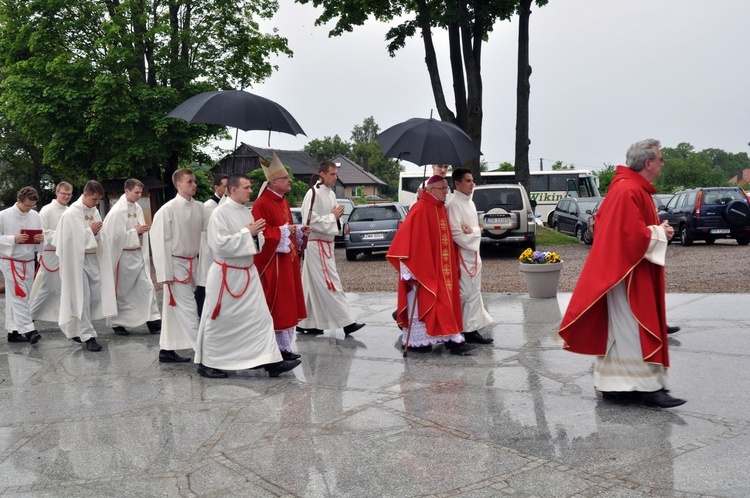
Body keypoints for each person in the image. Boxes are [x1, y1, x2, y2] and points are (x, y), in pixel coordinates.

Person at [559, 139, 685, 408]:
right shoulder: (628, 189)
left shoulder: (628, 187)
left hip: (625, 270)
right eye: (660, 160)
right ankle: (649, 388)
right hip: (628, 274)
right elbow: (629, 236)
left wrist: (656, 228)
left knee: (621, 332)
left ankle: (615, 385)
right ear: (648, 163)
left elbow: (630, 228)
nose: (662, 165)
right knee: (633, 329)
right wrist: (660, 232)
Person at [195, 173, 302, 378]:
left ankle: (269, 361)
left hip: (247, 272)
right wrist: (248, 234)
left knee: (260, 319)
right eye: (246, 188)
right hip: (227, 274)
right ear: (233, 189)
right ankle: (208, 362)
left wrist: (254, 235)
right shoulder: (219, 213)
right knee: (221, 321)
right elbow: (219, 244)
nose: (251, 191)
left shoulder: (246, 212)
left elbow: (259, 240)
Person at [386, 175, 475, 355]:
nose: (446, 192)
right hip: (422, 271)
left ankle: (451, 339)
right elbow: (404, 241)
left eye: (446, 189)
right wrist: (410, 269)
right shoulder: (419, 209)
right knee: (424, 305)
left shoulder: (440, 208)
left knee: (445, 301)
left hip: (441, 267)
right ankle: (420, 341)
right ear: (431, 190)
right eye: (443, 189)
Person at [297, 161, 365, 336]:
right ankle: (347, 322)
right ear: (322, 175)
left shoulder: (331, 194)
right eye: (332, 174)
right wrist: (332, 217)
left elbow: (335, 218)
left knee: (312, 285)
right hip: (316, 245)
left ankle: (308, 323)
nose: (336, 177)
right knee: (330, 284)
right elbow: (308, 221)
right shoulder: (312, 193)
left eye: (336, 174)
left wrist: (335, 218)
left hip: (326, 245)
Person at [252, 153, 308, 359]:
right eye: (285, 178)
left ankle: (285, 348)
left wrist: (300, 232)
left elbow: (284, 227)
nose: (290, 180)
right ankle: (275, 349)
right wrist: (284, 232)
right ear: (274, 182)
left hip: (287, 262)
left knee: (289, 302)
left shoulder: (283, 201)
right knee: (278, 304)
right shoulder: (262, 204)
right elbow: (260, 235)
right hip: (273, 264)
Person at [150, 168, 209, 363]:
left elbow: (212, 226)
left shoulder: (199, 207)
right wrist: (165, 272)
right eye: (190, 181)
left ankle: (166, 349)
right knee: (189, 310)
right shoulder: (167, 210)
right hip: (175, 265)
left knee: (172, 309)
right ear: (179, 184)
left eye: (194, 181)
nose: (194, 185)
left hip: (193, 262)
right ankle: (205, 355)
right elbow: (159, 242)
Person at [55, 180, 117, 351]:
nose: (97, 203)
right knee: (83, 297)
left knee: (95, 296)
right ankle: (88, 336)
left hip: (93, 259)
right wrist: (90, 232)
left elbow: (100, 235)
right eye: (94, 199)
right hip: (77, 262)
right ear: (85, 194)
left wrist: (96, 234)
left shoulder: (94, 211)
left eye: (98, 200)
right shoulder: (70, 214)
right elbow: (68, 243)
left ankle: (73, 327)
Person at [101, 179, 161, 335]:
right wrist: (137, 232)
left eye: (141, 192)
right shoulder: (117, 212)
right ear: (127, 191)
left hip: (137, 254)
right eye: (136, 192)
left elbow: (138, 228)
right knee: (123, 292)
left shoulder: (137, 207)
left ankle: (153, 319)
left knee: (147, 287)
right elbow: (114, 238)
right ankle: (117, 323)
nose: (139, 195)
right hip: (123, 257)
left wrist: (141, 232)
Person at [446, 168, 494, 344]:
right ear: (457, 183)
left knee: (474, 293)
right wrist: (476, 231)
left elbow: (469, 230)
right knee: (463, 293)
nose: (472, 184)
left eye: (472, 180)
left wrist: (473, 231)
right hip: (462, 256)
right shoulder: (453, 204)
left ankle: (471, 330)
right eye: (468, 180)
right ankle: (454, 330)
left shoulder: (470, 203)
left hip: (474, 254)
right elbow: (456, 233)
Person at [0, 187, 44, 344]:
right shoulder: (3, 216)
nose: (29, 209)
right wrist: (13, 239)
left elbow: (40, 238)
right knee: (20, 296)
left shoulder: (35, 215)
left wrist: (40, 239)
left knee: (18, 297)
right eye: (27, 205)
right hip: (10, 260)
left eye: (32, 206)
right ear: (18, 200)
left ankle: (13, 332)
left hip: (28, 260)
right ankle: (29, 330)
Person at [29, 182, 72, 324]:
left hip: (67, 253)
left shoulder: (71, 211)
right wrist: (63, 236)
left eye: (69, 194)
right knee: (48, 288)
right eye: (63, 193)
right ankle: (29, 317)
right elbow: (43, 232)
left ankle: (65, 317)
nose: (66, 196)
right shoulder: (47, 210)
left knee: (64, 288)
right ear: (56, 192)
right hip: (51, 253)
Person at [195, 173, 228, 316]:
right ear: (217, 187)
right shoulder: (209, 206)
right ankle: (202, 312)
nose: (228, 189)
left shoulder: (227, 204)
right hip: (209, 248)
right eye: (225, 186)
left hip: (221, 249)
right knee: (205, 280)